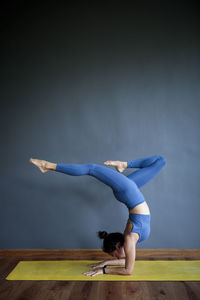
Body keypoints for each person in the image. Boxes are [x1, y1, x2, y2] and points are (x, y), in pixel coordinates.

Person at [29, 154, 166, 276]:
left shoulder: (129, 239)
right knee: (160, 161)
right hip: (129, 191)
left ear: (118, 246)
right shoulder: (130, 240)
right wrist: (105, 266)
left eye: (115, 257)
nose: (118, 259)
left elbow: (126, 264)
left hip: (129, 192)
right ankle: (48, 166)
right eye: (115, 257)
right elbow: (128, 269)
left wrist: (105, 266)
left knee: (159, 160)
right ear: (118, 246)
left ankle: (49, 166)